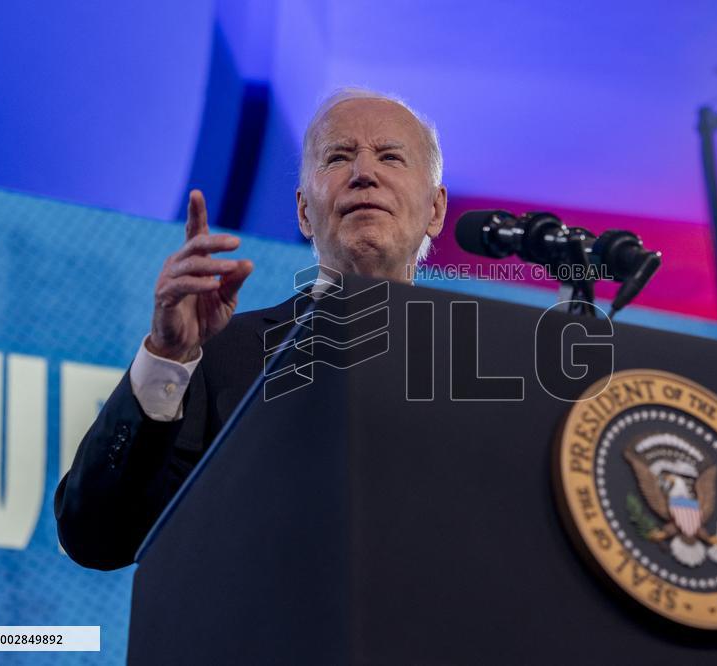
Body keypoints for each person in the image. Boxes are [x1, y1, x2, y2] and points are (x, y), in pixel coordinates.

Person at [54, 88, 448, 570]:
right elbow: (98, 536)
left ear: (435, 210)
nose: (364, 173)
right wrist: (166, 355)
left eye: (390, 156)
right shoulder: (220, 356)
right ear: (304, 211)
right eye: (339, 157)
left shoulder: (484, 365)